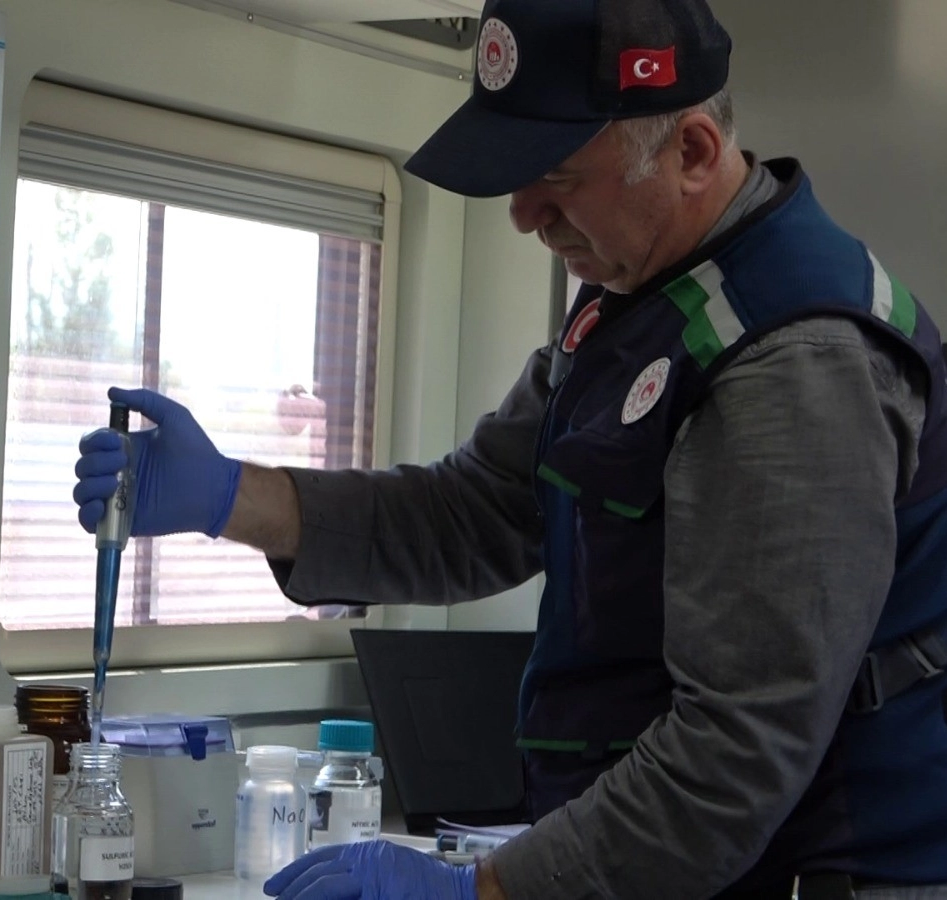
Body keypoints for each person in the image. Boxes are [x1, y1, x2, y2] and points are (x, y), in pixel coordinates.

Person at [73, 0, 947, 896]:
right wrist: (232, 498)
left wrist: (484, 891)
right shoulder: (631, 303)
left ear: (690, 153)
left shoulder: (795, 361)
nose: (525, 215)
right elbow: (475, 510)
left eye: (555, 176)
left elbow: (738, 752)